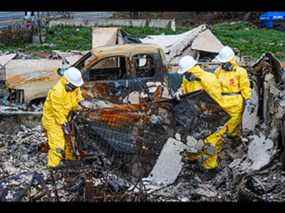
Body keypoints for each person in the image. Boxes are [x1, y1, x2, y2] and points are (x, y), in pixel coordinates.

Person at [175, 56, 228, 172]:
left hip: (210, 116)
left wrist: (209, 115)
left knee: (210, 142)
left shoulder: (208, 79)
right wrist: (179, 92)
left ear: (192, 69)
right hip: (195, 115)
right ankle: (193, 160)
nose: (185, 75)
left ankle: (210, 169)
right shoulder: (188, 79)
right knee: (192, 139)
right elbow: (185, 90)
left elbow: (216, 101)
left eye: (186, 72)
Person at [42, 67, 84, 169]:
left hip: (66, 117)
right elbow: (58, 111)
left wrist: (82, 105)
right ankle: (52, 167)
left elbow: (78, 99)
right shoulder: (57, 91)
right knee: (58, 146)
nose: (74, 88)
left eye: (75, 86)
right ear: (66, 82)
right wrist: (64, 124)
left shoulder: (75, 87)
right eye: (73, 86)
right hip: (53, 121)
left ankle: (70, 161)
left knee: (70, 141)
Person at [213, 46, 252, 144]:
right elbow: (214, 84)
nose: (223, 64)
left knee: (233, 124)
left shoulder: (240, 71)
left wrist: (248, 99)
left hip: (236, 103)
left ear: (231, 60)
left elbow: (245, 87)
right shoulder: (218, 71)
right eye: (222, 62)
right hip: (221, 101)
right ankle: (221, 142)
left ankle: (233, 141)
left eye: (224, 62)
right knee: (221, 124)